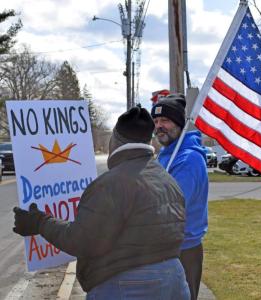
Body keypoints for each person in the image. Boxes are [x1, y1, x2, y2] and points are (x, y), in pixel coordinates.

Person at [13, 106, 191, 300]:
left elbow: (81, 241)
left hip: (129, 285)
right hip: (175, 279)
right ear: (148, 141)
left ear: (115, 140)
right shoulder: (167, 179)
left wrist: (40, 222)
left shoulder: (110, 185)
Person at [151, 94, 208, 300]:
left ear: (179, 123)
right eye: (156, 121)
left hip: (183, 249)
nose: (159, 126)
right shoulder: (166, 154)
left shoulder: (189, 158)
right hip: (164, 245)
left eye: (165, 120)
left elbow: (172, 204)